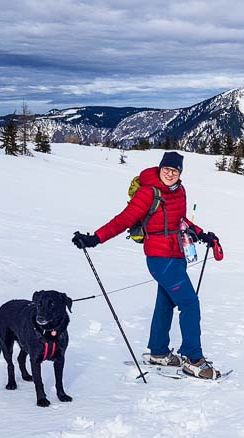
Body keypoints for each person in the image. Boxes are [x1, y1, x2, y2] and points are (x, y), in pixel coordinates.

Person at [72, 151, 221, 379]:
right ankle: (193, 359)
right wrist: (95, 238)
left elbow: (180, 220)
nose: (170, 174)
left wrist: (202, 234)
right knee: (190, 303)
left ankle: (158, 352)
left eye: (174, 170)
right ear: (160, 169)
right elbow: (124, 220)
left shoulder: (179, 191)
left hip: (177, 254)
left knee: (165, 303)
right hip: (160, 258)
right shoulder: (147, 192)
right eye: (166, 170)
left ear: (180, 173)